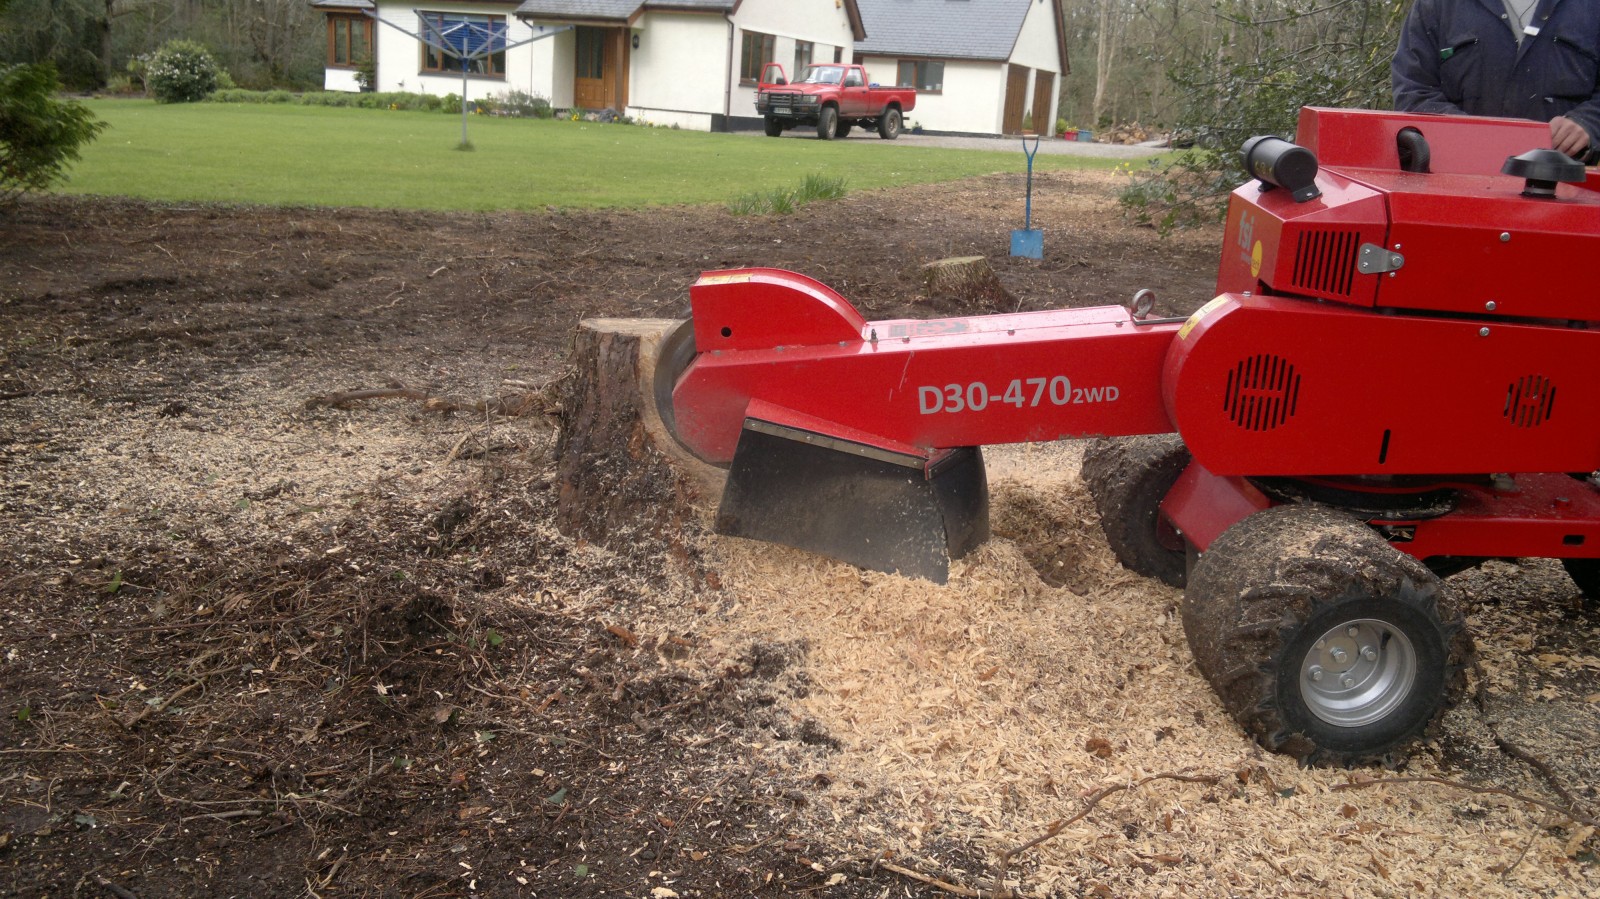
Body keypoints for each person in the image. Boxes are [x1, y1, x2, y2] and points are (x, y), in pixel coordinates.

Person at [1392, 0, 1600, 160]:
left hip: (1568, 190)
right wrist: (1464, 133)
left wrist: (1588, 123)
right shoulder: (1440, 6)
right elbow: (1413, 89)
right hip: (1457, 186)